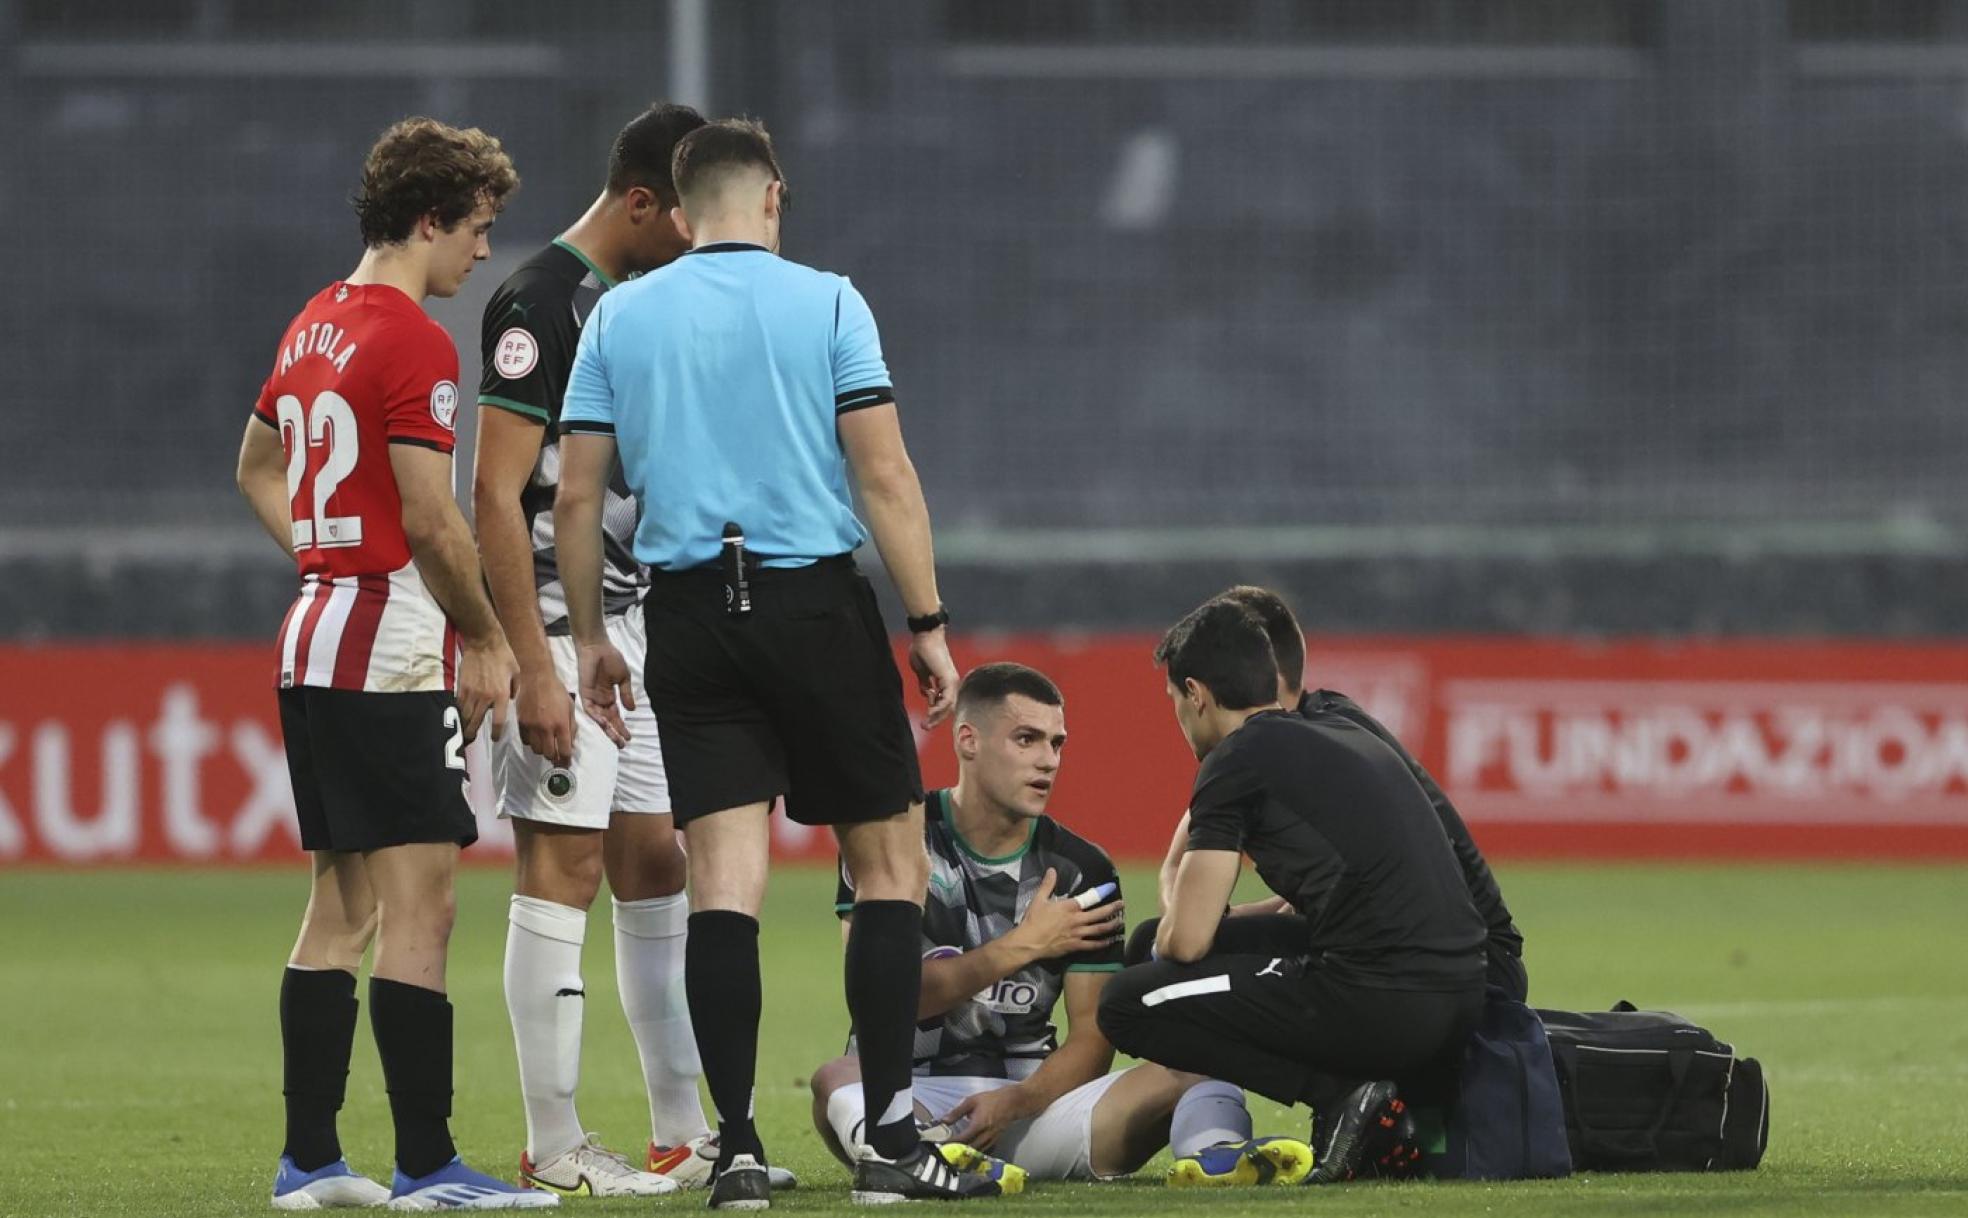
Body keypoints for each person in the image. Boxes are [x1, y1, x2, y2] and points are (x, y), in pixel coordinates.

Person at [552, 117, 1005, 1208]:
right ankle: (891, 1144)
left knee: (725, 888)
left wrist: (591, 637)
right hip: (812, 604)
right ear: (772, 197)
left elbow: (574, 497)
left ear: (682, 199)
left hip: (691, 618)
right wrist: (930, 624)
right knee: (891, 867)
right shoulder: (830, 300)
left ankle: (740, 1151)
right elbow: (884, 474)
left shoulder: (620, 312)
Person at [474, 101, 791, 1199]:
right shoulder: (538, 303)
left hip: (635, 634)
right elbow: (494, 496)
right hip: (558, 640)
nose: (701, 241)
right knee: (558, 866)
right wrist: (529, 657)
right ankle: (553, 1144)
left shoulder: (635, 306)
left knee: (658, 862)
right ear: (645, 202)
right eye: (684, 219)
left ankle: (676, 1130)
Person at [234, 117, 552, 1211]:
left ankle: (311, 1161)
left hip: (316, 631)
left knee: (342, 904)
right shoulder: (415, 339)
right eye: (477, 228)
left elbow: (257, 464)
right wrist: (485, 634)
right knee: (425, 906)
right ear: (429, 219)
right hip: (388, 642)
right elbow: (432, 516)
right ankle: (429, 1167)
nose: (480, 251)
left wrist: (324, 554)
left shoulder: (313, 322)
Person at [809, 663, 1315, 1189]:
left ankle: (1217, 1154)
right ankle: (924, 1153)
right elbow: (882, 1000)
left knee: (1203, 1061)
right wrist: (1025, 944)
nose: (1047, 761)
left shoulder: (1083, 870)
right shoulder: (897, 844)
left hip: (1037, 1103)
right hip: (907, 1099)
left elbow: (1093, 1036)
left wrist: (1016, 1102)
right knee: (836, 1079)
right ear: (968, 741)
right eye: (1026, 740)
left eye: (1057, 744)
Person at [1096, 600, 1488, 1185]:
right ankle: (1370, 1102)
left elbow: (1186, 941)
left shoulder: (1235, 762)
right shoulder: (1335, 731)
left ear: (1196, 693)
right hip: (1461, 994)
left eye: (1175, 702)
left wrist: (1175, 864)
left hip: (1388, 1001)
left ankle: (1342, 1096)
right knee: (1151, 943)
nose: (1179, 717)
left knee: (1127, 1001)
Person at [1136, 584, 1527, 1002]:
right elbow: (1343, 889)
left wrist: (1196, 913)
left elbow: (1179, 891)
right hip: (1454, 953)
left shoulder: (1276, 751)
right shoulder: (1328, 729)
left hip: (1454, 964)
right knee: (1163, 949)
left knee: (1157, 969)